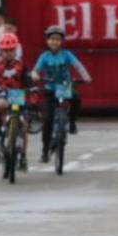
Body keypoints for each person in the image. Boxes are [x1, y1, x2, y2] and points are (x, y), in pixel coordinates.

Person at [31, 25, 91, 161]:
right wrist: (35, 75)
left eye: (58, 39)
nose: (55, 42)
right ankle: (45, 151)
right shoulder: (44, 56)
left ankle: (72, 122)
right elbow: (35, 70)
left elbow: (78, 66)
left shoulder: (67, 54)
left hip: (65, 87)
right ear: (47, 41)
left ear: (62, 41)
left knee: (76, 98)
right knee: (48, 119)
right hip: (50, 89)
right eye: (52, 39)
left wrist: (86, 77)